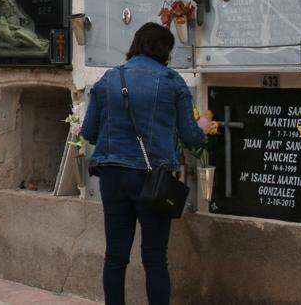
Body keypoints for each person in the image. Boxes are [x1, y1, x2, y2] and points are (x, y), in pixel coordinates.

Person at [81, 23, 216, 305]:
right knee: (155, 258)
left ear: (136, 44)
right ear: (164, 50)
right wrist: (202, 127)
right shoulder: (171, 81)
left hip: (113, 177)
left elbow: (90, 132)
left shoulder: (109, 79)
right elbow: (191, 136)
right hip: (152, 179)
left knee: (115, 256)